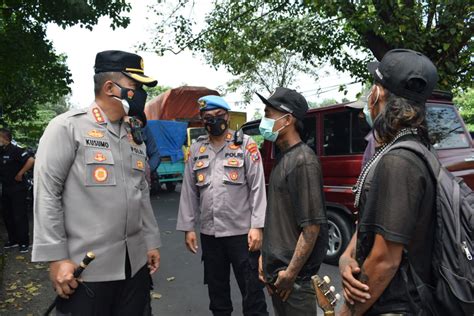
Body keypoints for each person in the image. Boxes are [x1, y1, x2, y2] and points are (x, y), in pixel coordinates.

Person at [32, 50, 162, 315]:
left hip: (134, 268)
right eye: (135, 87)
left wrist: (150, 242)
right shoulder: (67, 128)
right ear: (110, 87)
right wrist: (56, 258)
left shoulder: (133, 135)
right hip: (88, 272)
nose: (140, 95)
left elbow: (141, 192)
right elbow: (47, 193)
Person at [338, 49, 438, 315]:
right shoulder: (403, 149)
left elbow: (385, 260)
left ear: (378, 94)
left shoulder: (400, 161)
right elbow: (377, 220)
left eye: (373, 86)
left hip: (396, 306)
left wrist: (347, 311)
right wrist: (348, 255)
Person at [177, 95, 268, 316]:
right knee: (217, 296)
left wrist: (257, 226)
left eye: (218, 116)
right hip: (211, 235)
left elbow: (257, 188)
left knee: (252, 294)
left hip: (242, 235)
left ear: (227, 116)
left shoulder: (246, 145)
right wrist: (189, 227)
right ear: (202, 120)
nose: (214, 121)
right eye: (208, 118)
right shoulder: (196, 150)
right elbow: (189, 191)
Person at [257, 87, 329, 316]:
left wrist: (290, 274)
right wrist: (264, 257)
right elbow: (279, 218)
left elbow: (311, 227)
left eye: (268, 114)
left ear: (287, 120)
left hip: (293, 284)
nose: (264, 120)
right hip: (279, 278)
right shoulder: (283, 158)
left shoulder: (303, 161)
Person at [0, 128, 35, 253]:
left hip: (18, 188)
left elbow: (31, 160)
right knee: (7, 215)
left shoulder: (15, 149)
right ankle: (13, 240)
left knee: (19, 215)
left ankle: (24, 242)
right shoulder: (1, 150)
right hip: (6, 188)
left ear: (5, 138)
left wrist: (20, 173)